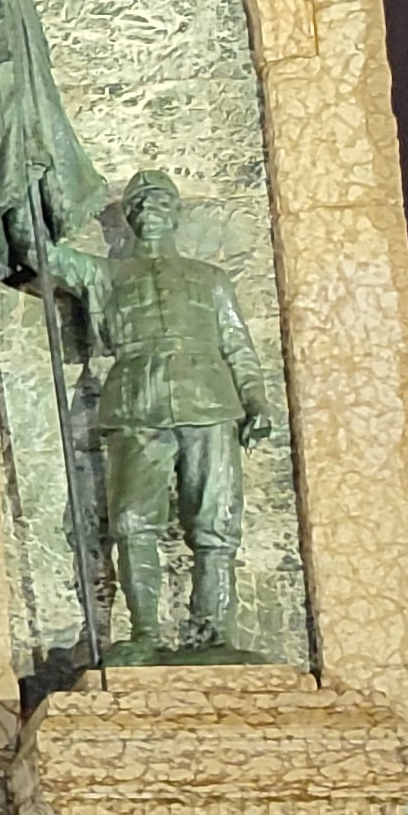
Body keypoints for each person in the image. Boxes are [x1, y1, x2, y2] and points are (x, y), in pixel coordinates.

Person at [45, 170, 280, 654]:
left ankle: (211, 631)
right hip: (136, 399)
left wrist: (257, 402)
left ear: (175, 214)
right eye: (138, 204)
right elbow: (40, 253)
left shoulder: (210, 278)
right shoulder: (105, 273)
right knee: (132, 521)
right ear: (129, 219)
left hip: (210, 399)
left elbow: (237, 348)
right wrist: (26, 183)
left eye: (158, 201)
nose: (148, 209)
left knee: (217, 519)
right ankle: (145, 633)